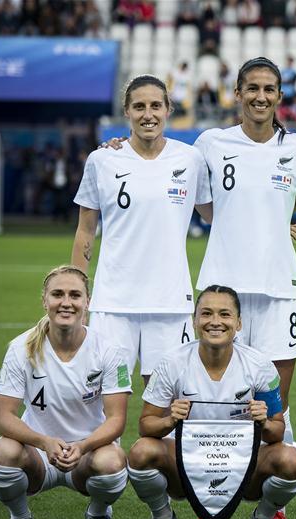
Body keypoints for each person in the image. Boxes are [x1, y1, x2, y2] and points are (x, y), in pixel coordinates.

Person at [191, 57, 296, 519]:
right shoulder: (210, 143)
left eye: (269, 88)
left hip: (280, 288)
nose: (261, 96)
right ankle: (214, 505)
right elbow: (205, 206)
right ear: (238, 93)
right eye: (252, 88)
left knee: (274, 408)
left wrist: (275, 228)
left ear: (279, 96)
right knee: (214, 403)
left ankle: (273, 506)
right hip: (224, 289)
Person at [127, 285, 296, 519]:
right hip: (187, 463)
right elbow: (145, 425)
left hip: (245, 463)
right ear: (195, 320)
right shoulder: (172, 362)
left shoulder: (259, 365)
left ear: (238, 323)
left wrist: (264, 422)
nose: (215, 322)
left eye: (225, 314)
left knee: (291, 460)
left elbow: (277, 431)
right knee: (141, 452)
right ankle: (162, 518)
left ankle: (264, 518)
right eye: (207, 313)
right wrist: (169, 421)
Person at [71, 75, 211, 383]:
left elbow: (215, 216)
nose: (148, 114)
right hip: (113, 303)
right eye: (139, 107)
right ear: (127, 112)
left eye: (155, 106)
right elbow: (85, 229)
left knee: (166, 404)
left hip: (170, 303)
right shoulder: (102, 159)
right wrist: (77, 290)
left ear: (168, 109)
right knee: (102, 398)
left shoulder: (191, 159)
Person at [0, 266, 131, 519]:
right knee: (1, 454)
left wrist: (84, 445)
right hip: (38, 453)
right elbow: (3, 418)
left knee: (113, 463)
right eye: (58, 294)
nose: (66, 302)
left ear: (87, 302)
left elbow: (117, 420)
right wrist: (44, 441)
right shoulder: (20, 348)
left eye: (75, 295)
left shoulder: (110, 350)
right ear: (45, 300)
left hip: (89, 453)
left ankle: (98, 517)